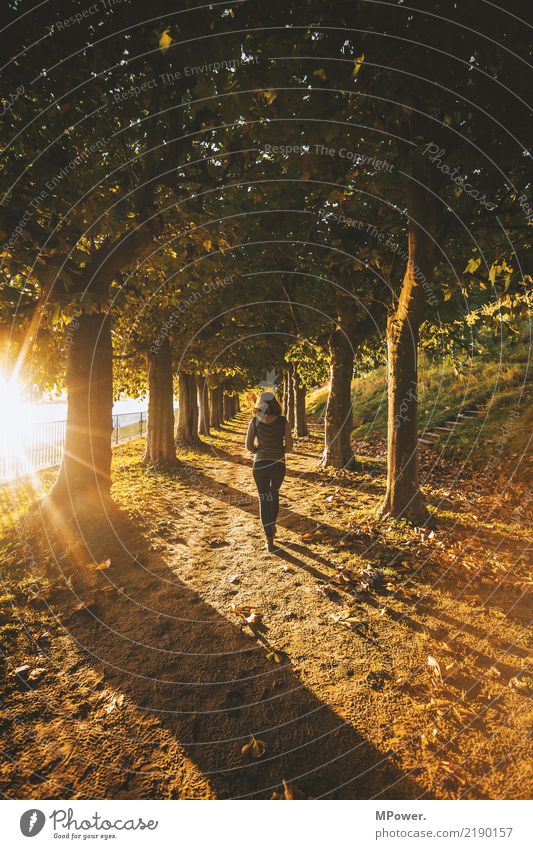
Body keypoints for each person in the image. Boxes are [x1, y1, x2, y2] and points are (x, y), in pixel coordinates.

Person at [245, 391, 293, 551]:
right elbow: (290, 446)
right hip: (278, 464)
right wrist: (279, 451)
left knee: (264, 499)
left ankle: (269, 539)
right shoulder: (282, 421)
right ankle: (271, 526)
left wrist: (259, 451)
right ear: (275, 404)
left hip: (260, 465)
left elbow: (248, 446)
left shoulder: (255, 421)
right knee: (274, 494)